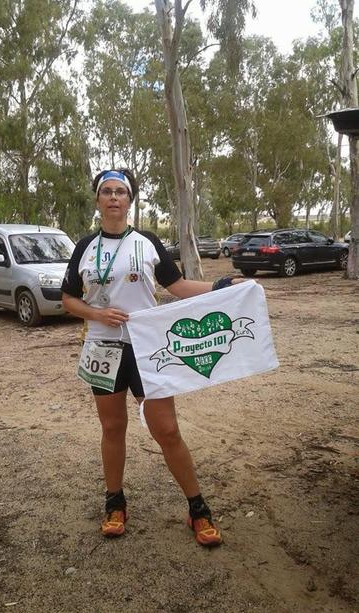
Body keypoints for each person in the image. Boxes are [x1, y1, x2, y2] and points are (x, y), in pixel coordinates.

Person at [61, 168, 239, 547]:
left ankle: (198, 509)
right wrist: (97, 314)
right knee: (112, 429)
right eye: (106, 192)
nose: (113, 198)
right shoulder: (84, 247)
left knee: (167, 430)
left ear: (129, 200)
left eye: (120, 192)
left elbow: (176, 286)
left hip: (147, 348)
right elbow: (68, 299)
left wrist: (221, 286)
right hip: (103, 349)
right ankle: (115, 502)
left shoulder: (147, 242)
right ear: (97, 200)